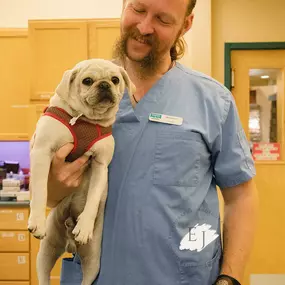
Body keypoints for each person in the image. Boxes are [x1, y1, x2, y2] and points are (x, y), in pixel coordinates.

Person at [47, 0, 259, 284]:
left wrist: (229, 277)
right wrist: (55, 182)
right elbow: (51, 196)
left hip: (181, 276)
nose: (144, 27)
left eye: (163, 19)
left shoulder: (212, 101)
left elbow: (241, 197)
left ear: (186, 24)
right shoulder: (79, 89)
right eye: (138, 9)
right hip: (95, 274)